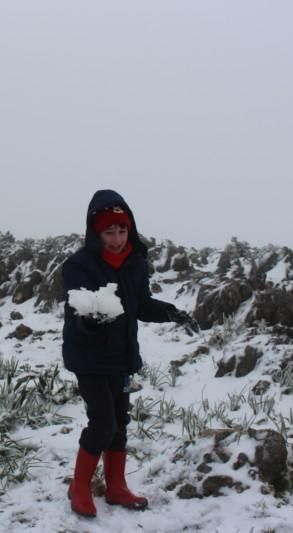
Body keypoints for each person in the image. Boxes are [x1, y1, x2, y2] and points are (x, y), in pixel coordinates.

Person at [62, 189, 199, 518]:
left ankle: (116, 487)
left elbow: (141, 305)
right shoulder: (79, 265)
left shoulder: (135, 262)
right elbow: (77, 312)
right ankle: (79, 487)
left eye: (122, 230)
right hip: (89, 358)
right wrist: (91, 323)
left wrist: (171, 312)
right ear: (97, 232)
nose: (117, 238)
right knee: (103, 424)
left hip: (122, 357)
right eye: (109, 231)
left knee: (120, 424)